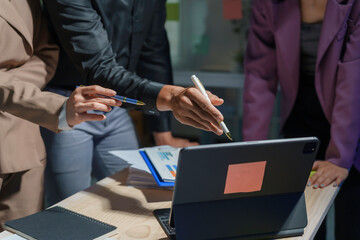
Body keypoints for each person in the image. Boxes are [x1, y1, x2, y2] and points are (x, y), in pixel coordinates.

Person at [42, 0, 225, 206]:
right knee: (69, 208)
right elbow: (100, 68)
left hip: (117, 104)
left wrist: (163, 135)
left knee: (139, 195)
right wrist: (172, 98)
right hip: (70, 104)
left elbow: (154, 56)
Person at [0, 0, 126, 227]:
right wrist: (43, 102)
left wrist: (20, 91)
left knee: (25, 233)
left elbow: (46, 53)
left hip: (23, 141)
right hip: (32, 113)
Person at [243, 0, 360, 239]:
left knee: (353, 218)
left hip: (354, 124)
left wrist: (339, 157)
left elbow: (353, 79)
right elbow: (259, 75)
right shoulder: (268, 4)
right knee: (303, 223)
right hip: (301, 117)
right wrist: (252, 152)